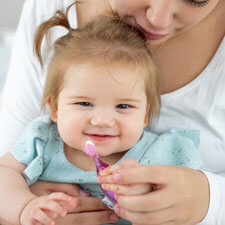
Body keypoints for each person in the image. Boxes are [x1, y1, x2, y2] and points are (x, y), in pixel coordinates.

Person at [0, 0, 224, 224]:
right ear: (55, 108)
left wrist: (201, 200)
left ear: (145, 115)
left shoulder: (161, 154)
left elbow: (188, 199)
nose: (103, 121)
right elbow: (4, 173)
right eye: (84, 104)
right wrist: (24, 206)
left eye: (123, 107)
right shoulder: (42, 140)